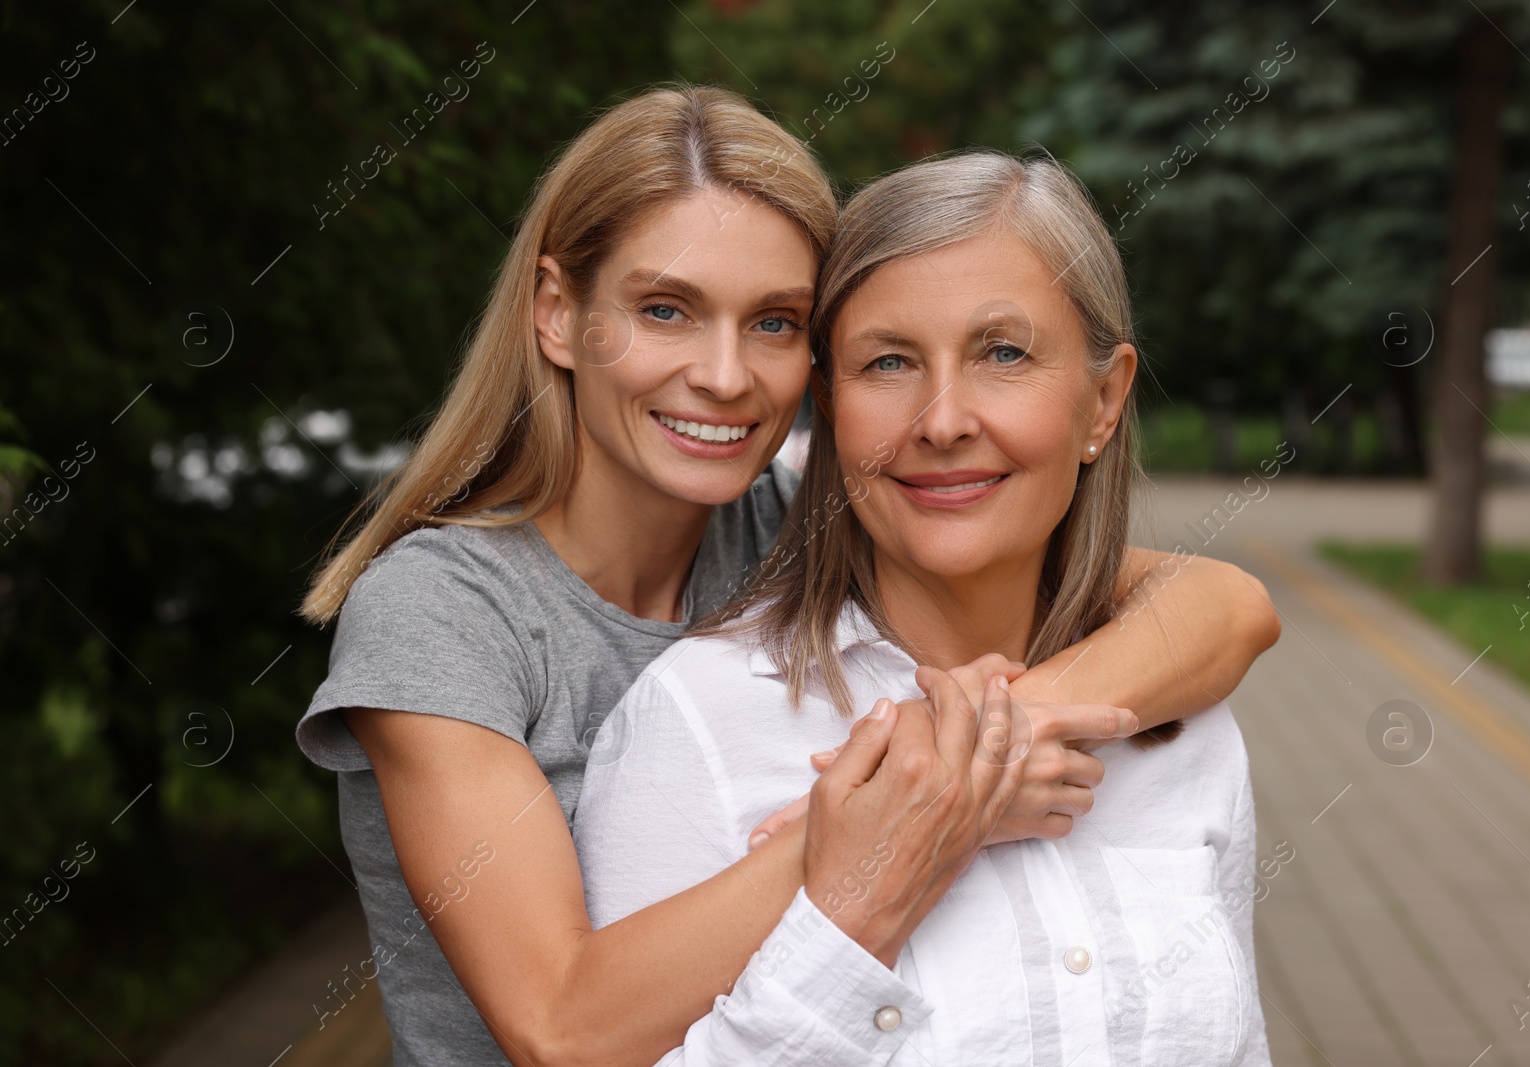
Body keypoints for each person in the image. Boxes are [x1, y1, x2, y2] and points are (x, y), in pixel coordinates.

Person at [295, 87, 1279, 1067]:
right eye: (666, 309)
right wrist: (906, 807)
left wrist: (988, 736)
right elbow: (558, 1025)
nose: (724, 374)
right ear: (558, 313)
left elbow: (1219, 604)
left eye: (772, 323)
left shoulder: (793, 524)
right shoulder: (442, 611)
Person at [576, 150, 1272, 1065]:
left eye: (1003, 353)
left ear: (1103, 401)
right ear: (829, 405)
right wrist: (861, 885)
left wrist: (968, 760)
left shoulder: (1184, 726)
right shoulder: (698, 723)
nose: (942, 421)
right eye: (889, 361)